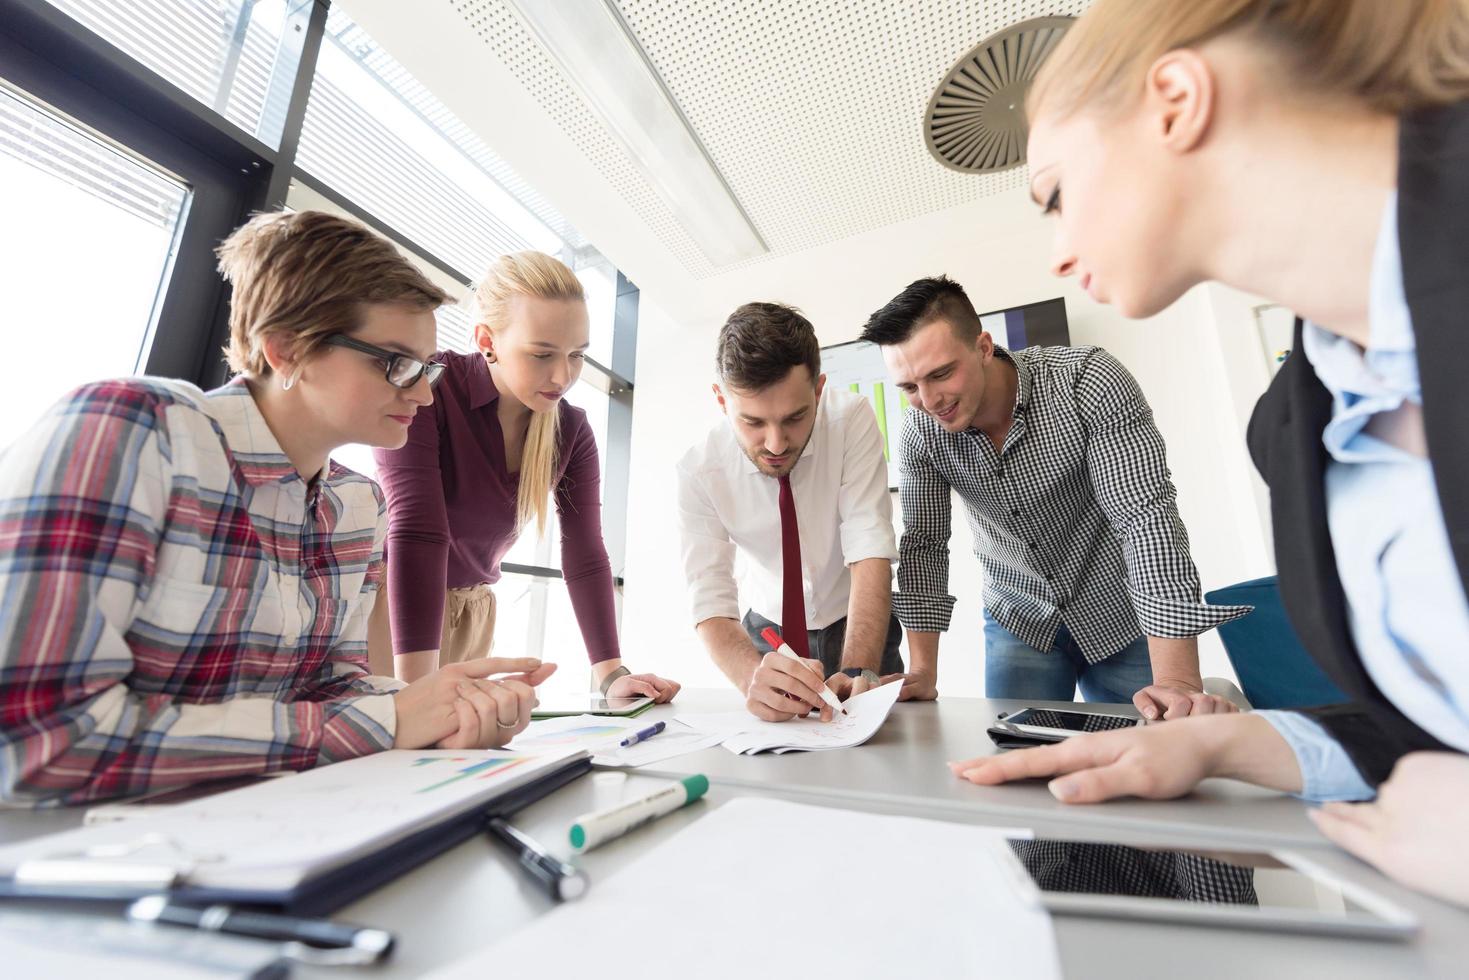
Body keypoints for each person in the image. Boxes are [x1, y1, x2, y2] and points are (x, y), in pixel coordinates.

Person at [951, 0, 1469, 908]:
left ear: (1176, 101)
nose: (1060, 253)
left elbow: (1146, 529)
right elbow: (1429, 739)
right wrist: (1228, 742)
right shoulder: (1293, 428)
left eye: (1056, 196)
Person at [0, 211, 555, 807]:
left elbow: (328, 691)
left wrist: (449, 709)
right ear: (287, 351)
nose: (422, 392)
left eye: (429, 369)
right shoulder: (134, 431)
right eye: (397, 364)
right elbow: (37, 738)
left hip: (258, 830)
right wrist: (389, 720)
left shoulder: (357, 506)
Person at [860, 277, 1245, 718]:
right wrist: (924, 669)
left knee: (1157, 746)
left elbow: (1145, 519)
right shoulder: (919, 434)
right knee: (1017, 759)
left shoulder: (1086, 380)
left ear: (984, 347)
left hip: (1121, 610)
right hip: (1018, 618)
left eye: (941, 374)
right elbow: (924, 546)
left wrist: (1176, 681)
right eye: (909, 387)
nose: (929, 401)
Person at [372, 251, 678, 703]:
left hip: (470, 614)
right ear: (486, 340)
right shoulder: (429, 388)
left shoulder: (570, 429)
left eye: (576, 355)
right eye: (541, 355)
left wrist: (611, 674)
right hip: (390, 605)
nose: (563, 376)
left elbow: (586, 553)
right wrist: (419, 690)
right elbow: (416, 529)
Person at [677, 303, 901, 721]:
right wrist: (749, 678)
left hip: (860, 618)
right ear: (721, 400)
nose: (776, 444)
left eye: (796, 418)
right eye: (754, 423)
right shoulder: (699, 470)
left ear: (818, 390)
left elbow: (869, 540)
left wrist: (857, 667)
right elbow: (709, 597)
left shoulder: (850, 419)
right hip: (766, 633)